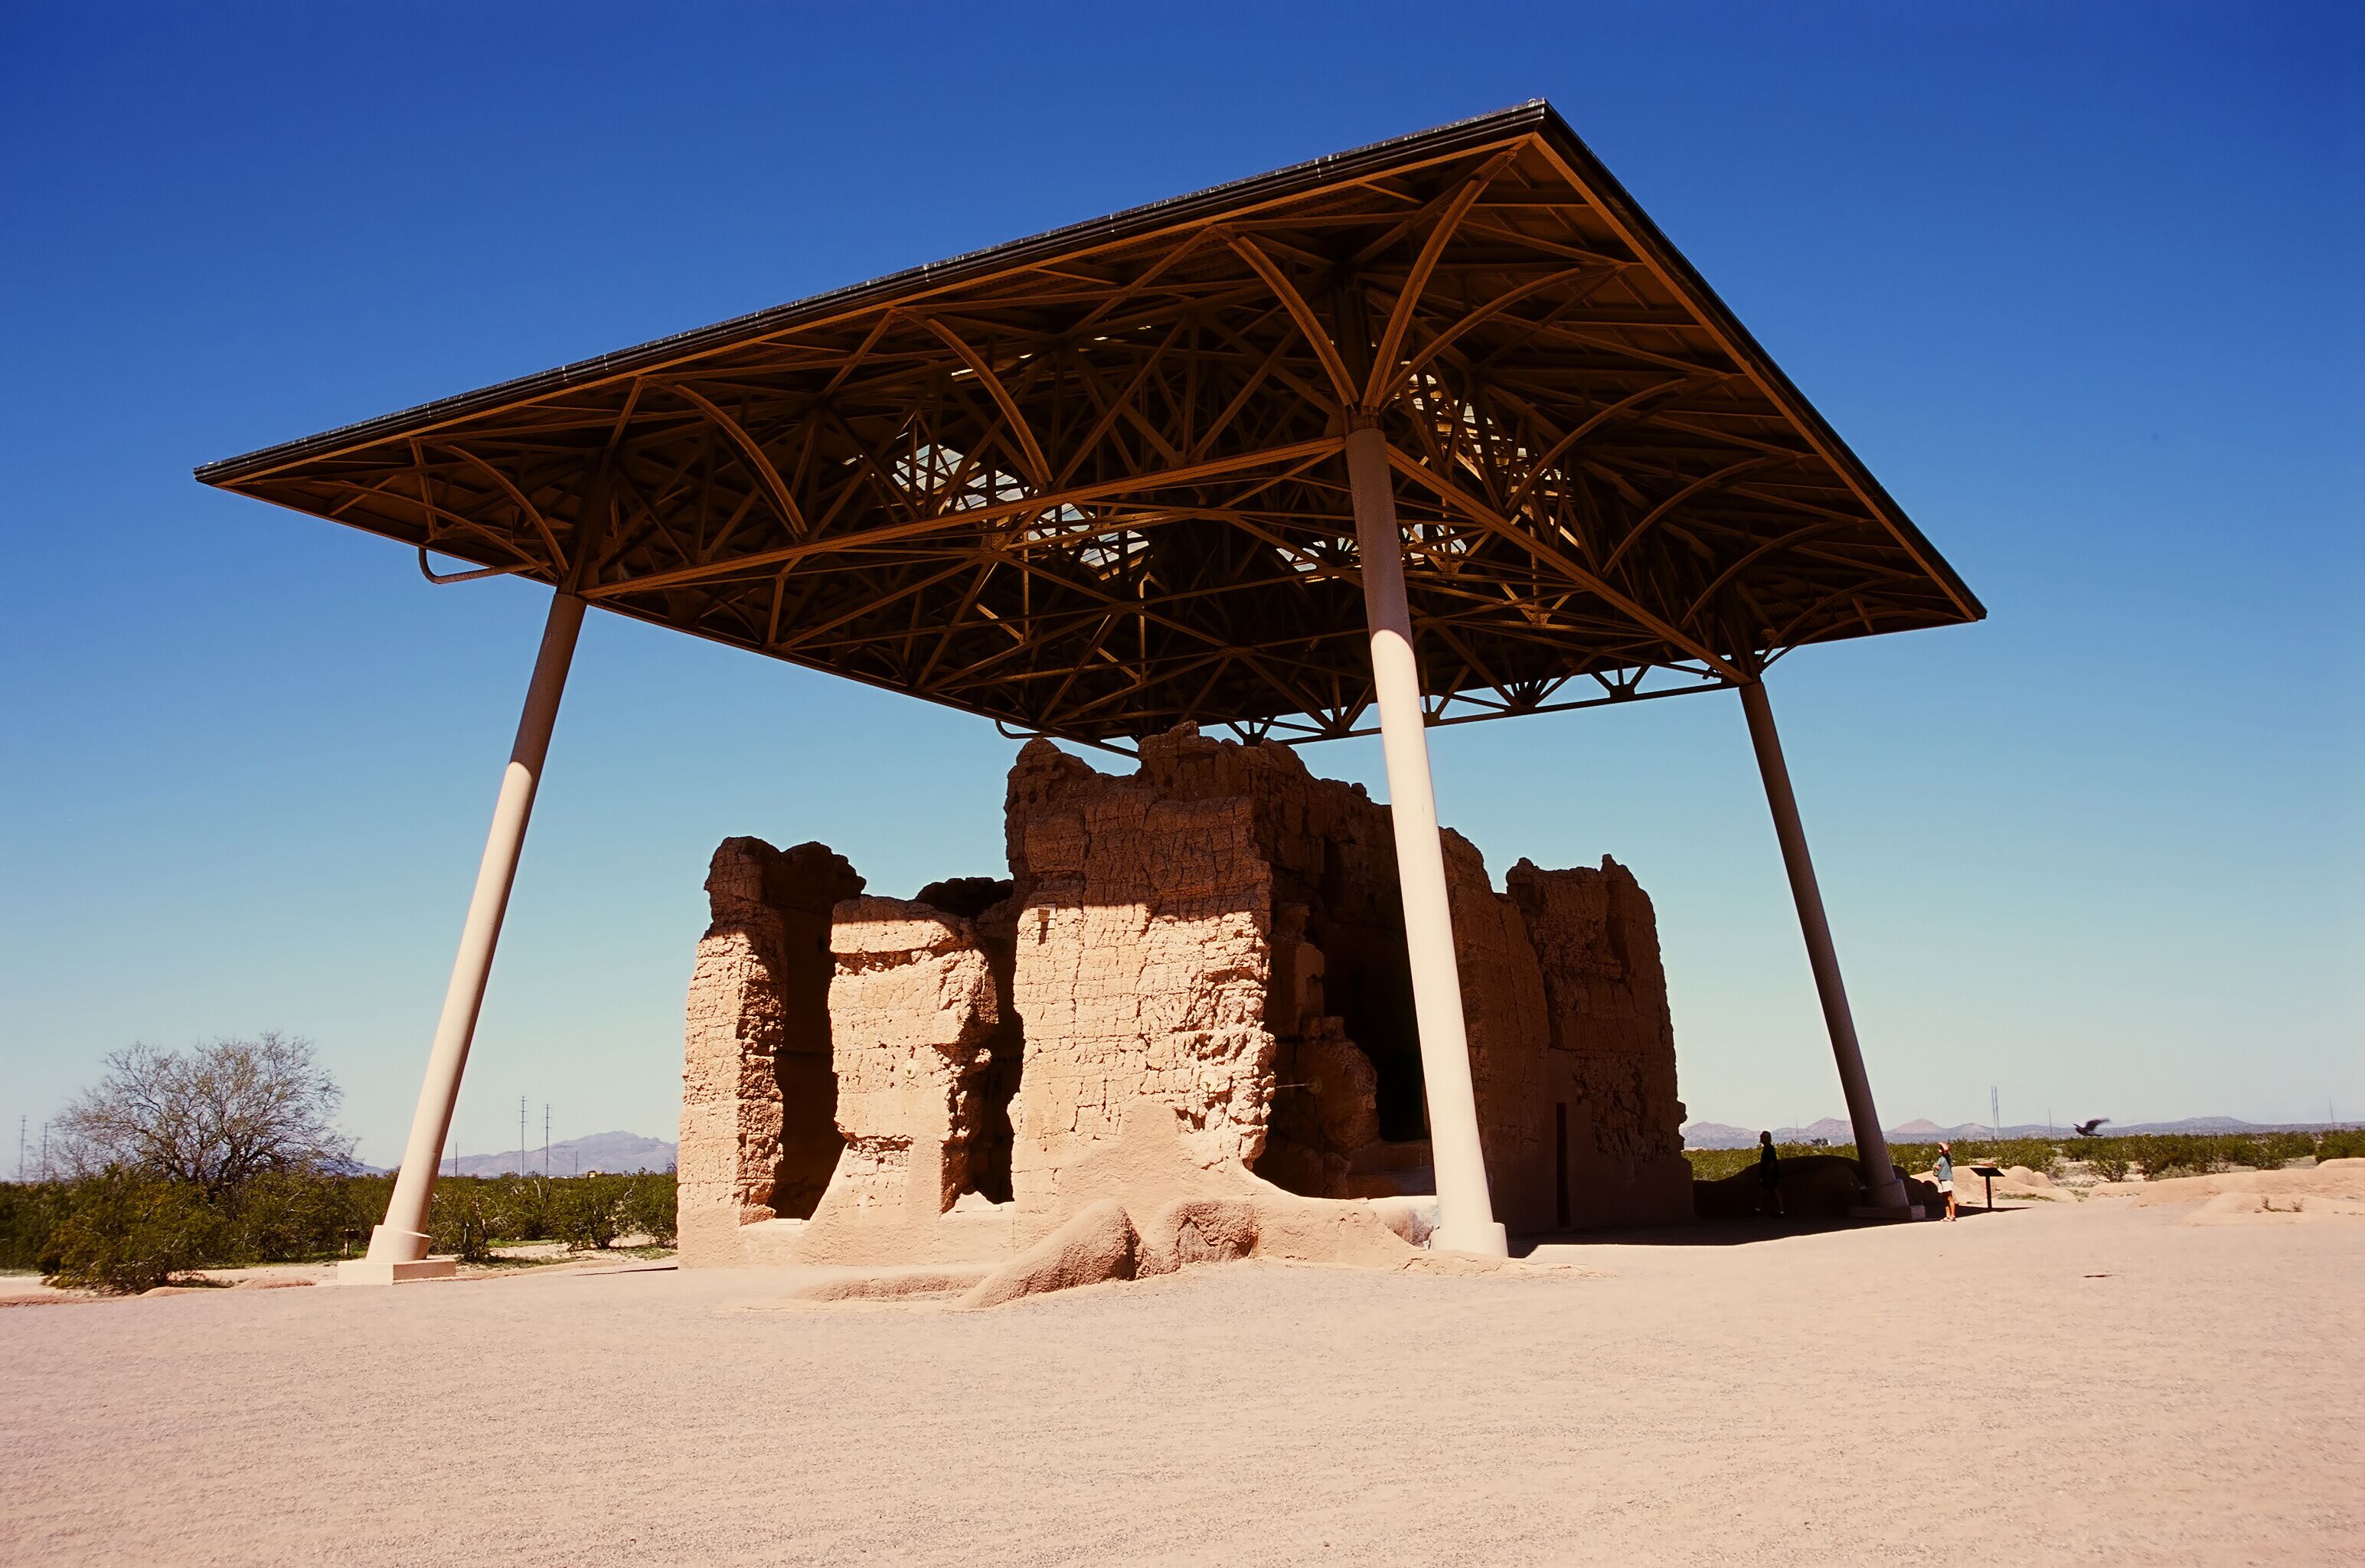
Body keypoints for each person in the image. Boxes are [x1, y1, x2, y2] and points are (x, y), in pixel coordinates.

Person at [1756, 1130, 1783, 1217]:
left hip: (1771, 1175)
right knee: (1765, 1190)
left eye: (1762, 1136)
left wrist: (1768, 1175)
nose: (1760, 1137)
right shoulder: (1767, 1148)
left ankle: (1780, 1211)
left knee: (1773, 1191)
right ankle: (1759, 1209)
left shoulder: (1769, 1148)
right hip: (1769, 1174)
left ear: (1767, 1138)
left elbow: (1772, 1162)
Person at [1935, 1141, 1957, 1221]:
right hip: (1941, 1178)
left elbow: (1947, 1149)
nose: (1939, 1149)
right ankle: (1947, 1215)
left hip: (1947, 1178)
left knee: (1949, 1197)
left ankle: (1953, 1215)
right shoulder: (1941, 1158)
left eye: (1940, 1148)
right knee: (1944, 1198)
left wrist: (1941, 1143)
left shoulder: (1948, 1157)